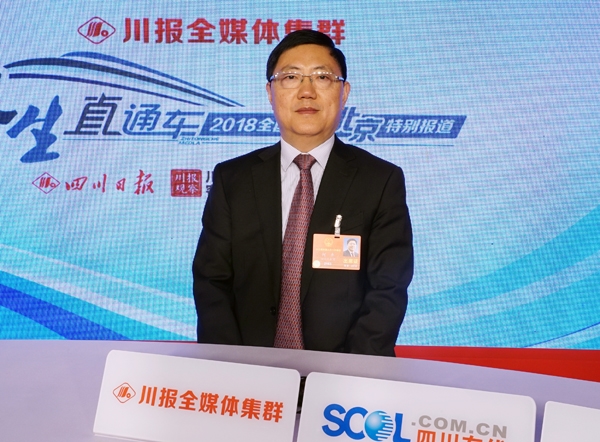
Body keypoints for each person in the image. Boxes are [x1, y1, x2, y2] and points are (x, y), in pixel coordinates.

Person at [193, 30, 413, 356]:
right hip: (248, 373)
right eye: (291, 77)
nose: (306, 92)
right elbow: (211, 281)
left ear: (344, 92)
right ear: (270, 92)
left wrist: (348, 373)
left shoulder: (379, 180)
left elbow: (388, 288)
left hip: (346, 376)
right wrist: (233, 367)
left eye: (322, 77)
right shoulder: (233, 179)